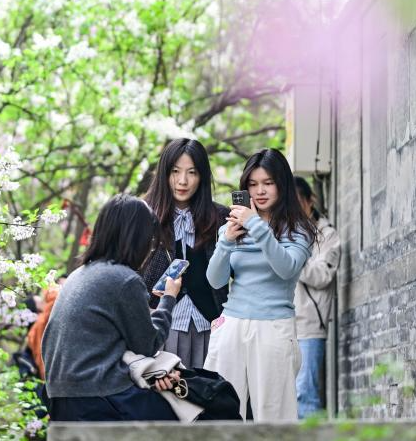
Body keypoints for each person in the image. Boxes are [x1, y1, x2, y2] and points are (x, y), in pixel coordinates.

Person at [42, 195, 184, 422]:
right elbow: (149, 345)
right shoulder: (124, 279)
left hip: (59, 395)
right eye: (150, 239)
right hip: (97, 396)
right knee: (189, 411)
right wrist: (169, 298)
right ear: (138, 239)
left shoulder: (79, 274)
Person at [204, 148, 317, 421]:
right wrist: (226, 242)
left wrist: (256, 225)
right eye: (253, 184)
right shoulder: (232, 228)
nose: (260, 191)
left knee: (274, 415)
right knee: (221, 412)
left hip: (273, 326)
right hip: (232, 324)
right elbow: (215, 280)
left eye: (268, 183)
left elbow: (286, 269)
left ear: (282, 185)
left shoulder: (299, 230)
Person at [141, 138, 229, 369]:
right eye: (175, 171)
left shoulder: (220, 217)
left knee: (207, 387)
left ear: (202, 177)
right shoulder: (143, 215)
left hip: (211, 326)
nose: (183, 181)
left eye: (192, 172)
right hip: (159, 326)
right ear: (164, 173)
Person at [292, 176, 341, 419]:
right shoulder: (282, 232)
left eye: (297, 201)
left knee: (305, 393)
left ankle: (311, 434)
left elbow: (322, 276)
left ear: (310, 200)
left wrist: (290, 260)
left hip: (310, 325)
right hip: (280, 323)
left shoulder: (328, 235)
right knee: (282, 395)